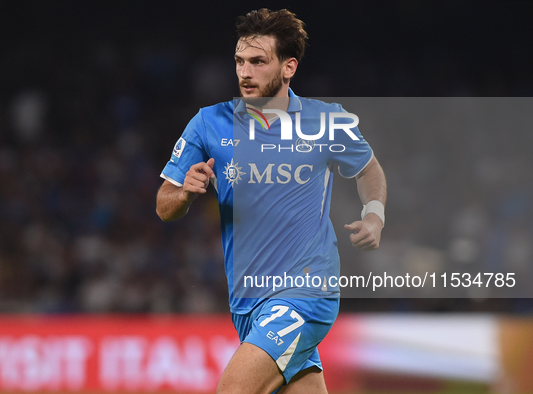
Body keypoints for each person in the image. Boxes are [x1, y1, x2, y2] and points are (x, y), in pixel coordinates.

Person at [156, 8, 386, 394]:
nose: (245, 72)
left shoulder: (326, 120)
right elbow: (165, 206)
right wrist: (183, 192)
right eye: (240, 62)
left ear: (288, 66)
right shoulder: (209, 123)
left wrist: (374, 214)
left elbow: (369, 169)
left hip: (306, 291)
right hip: (248, 302)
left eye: (258, 62)